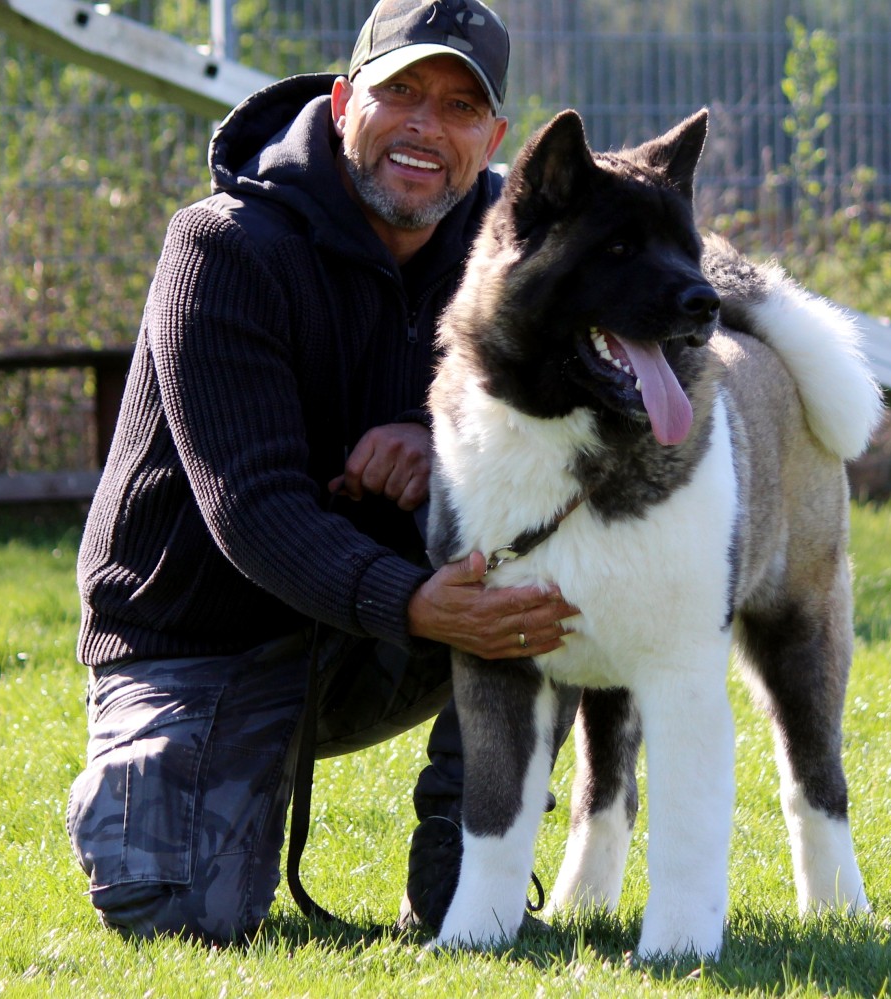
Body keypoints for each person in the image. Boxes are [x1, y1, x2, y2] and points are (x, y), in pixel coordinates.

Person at [67, 0, 578, 944]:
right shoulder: (220, 247)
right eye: (402, 92)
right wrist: (418, 602)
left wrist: (449, 434)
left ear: (493, 137)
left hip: (388, 633)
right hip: (204, 638)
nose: (427, 127)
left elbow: (594, 432)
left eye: (461, 107)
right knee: (176, 915)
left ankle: (474, 871)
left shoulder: (517, 254)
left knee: (560, 567)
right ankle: (165, 772)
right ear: (345, 101)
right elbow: (252, 508)